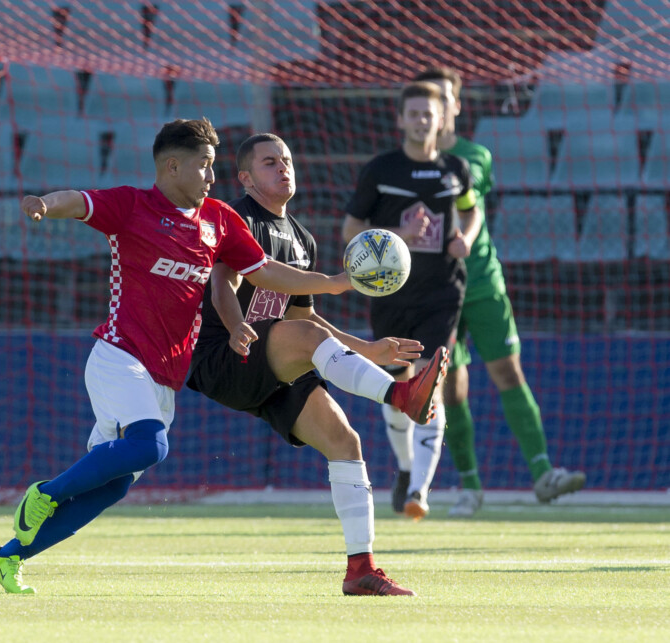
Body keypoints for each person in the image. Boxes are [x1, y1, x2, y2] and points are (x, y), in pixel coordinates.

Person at [0, 118, 365, 594]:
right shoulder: (132, 206)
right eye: (204, 166)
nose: (211, 176)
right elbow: (79, 201)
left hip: (164, 378)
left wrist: (332, 282)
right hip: (118, 356)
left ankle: (7, 558)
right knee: (151, 446)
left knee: (114, 486)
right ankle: (44, 493)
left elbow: (265, 271)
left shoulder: (220, 219)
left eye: (214, 166)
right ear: (172, 166)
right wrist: (44, 204)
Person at [186, 133, 448, 596]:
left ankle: (361, 569)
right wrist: (233, 325)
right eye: (269, 163)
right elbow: (221, 283)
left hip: (274, 359)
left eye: (286, 159)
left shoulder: (301, 237)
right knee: (306, 341)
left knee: (346, 441)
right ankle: (401, 395)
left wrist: (370, 349)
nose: (283, 167)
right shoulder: (238, 217)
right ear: (245, 177)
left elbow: (306, 320)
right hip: (225, 357)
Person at [412, 67, 585, 517]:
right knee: (449, 389)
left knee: (508, 373)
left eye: (445, 99)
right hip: (435, 289)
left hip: (481, 282)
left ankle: (543, 472)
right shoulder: (403, 166)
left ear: (455, 105)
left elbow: (464, 205)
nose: (437, 109)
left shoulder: (474, 156)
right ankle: (469, 486)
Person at [342, 82, 481, 521]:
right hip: (390, 294)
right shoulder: (381, 170)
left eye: (430, 114)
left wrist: (466, 238)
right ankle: (405, 468)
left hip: (442, 293)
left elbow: (471, 209)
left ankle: (420, 492)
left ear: (443, 120)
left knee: (429, 384)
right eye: (415, 113)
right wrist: (397, 239)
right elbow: (350, 231)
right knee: (397, 387)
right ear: (400, 119)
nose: (423, 120)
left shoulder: (456, 169)